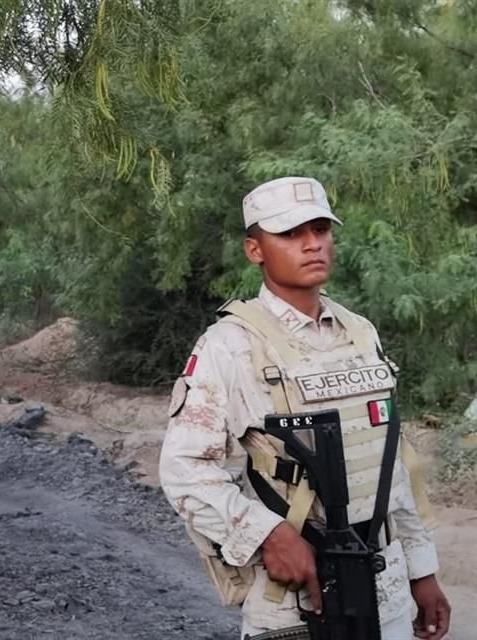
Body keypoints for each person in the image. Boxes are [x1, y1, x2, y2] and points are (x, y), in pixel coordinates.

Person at [158, 177, 450, 640]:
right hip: (295, 606)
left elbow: (389, 461)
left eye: (320, 229)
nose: (312, 244)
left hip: (387, 589)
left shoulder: (359, 333)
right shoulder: (230, 346)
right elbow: (184, 469)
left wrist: (421, 569)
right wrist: (267, 534)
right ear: (255, 249)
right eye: (291, 234)